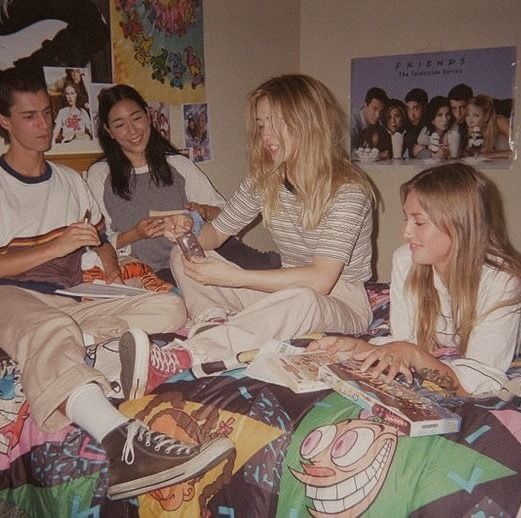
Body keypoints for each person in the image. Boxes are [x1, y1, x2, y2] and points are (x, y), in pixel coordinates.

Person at [0, 67, 233, 500]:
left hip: (72, 297)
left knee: (170, 308)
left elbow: (103, 240)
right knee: (48, 328)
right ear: (4, 121)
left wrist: (109, 271)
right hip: (10, 294)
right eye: (30, 116)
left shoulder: (68, 181)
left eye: (47, 113)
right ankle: (124, 444)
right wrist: (54, 248)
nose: (45, 125)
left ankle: (83, 346)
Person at [118, 73, 375, 400]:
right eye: (260, 124)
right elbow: (211, 237)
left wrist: (235, 278)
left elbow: (321, 281)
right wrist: (184, 233)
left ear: (309, 123)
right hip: (287, 289)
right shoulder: (264, 180)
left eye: (275, 123)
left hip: (341, 302)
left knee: (301, 299)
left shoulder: (348, 190)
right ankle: (212, 322)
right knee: (185, 257)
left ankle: (190, 353)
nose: (266, 135)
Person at [310, 163, 521, 396]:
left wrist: (415, 355)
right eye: (406, 219)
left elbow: (479, 378)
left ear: (460, 226)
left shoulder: (501, 281)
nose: (405, 233)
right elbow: (404, 343)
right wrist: (359, 348)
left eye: (419, 222)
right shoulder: (406, 260)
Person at [86, 84, 280, 285]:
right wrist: (135, 234)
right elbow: (99, 241)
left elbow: (227, 216)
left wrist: (203, 211)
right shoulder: (100, 174)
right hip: (162, 270)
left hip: (210, 251)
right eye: (120, 125)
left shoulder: (177, 164)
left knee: (277, 269)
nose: (132, 130)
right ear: (109, 131)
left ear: (148, 115)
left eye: (137, 118)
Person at [465, 94, 512, 159]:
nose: (470, 121)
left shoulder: (499, 122)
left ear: (486, 115)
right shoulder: (474, 130)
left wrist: (491, 155)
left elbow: (518, 150)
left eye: (476, 115)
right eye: (467, 115)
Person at [403, 88, 428, 157]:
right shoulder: (405, 126)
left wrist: (427, 149)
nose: (411, 115)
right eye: (408, 109)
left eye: (416, 109)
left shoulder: (433, 125)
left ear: (424, 108)